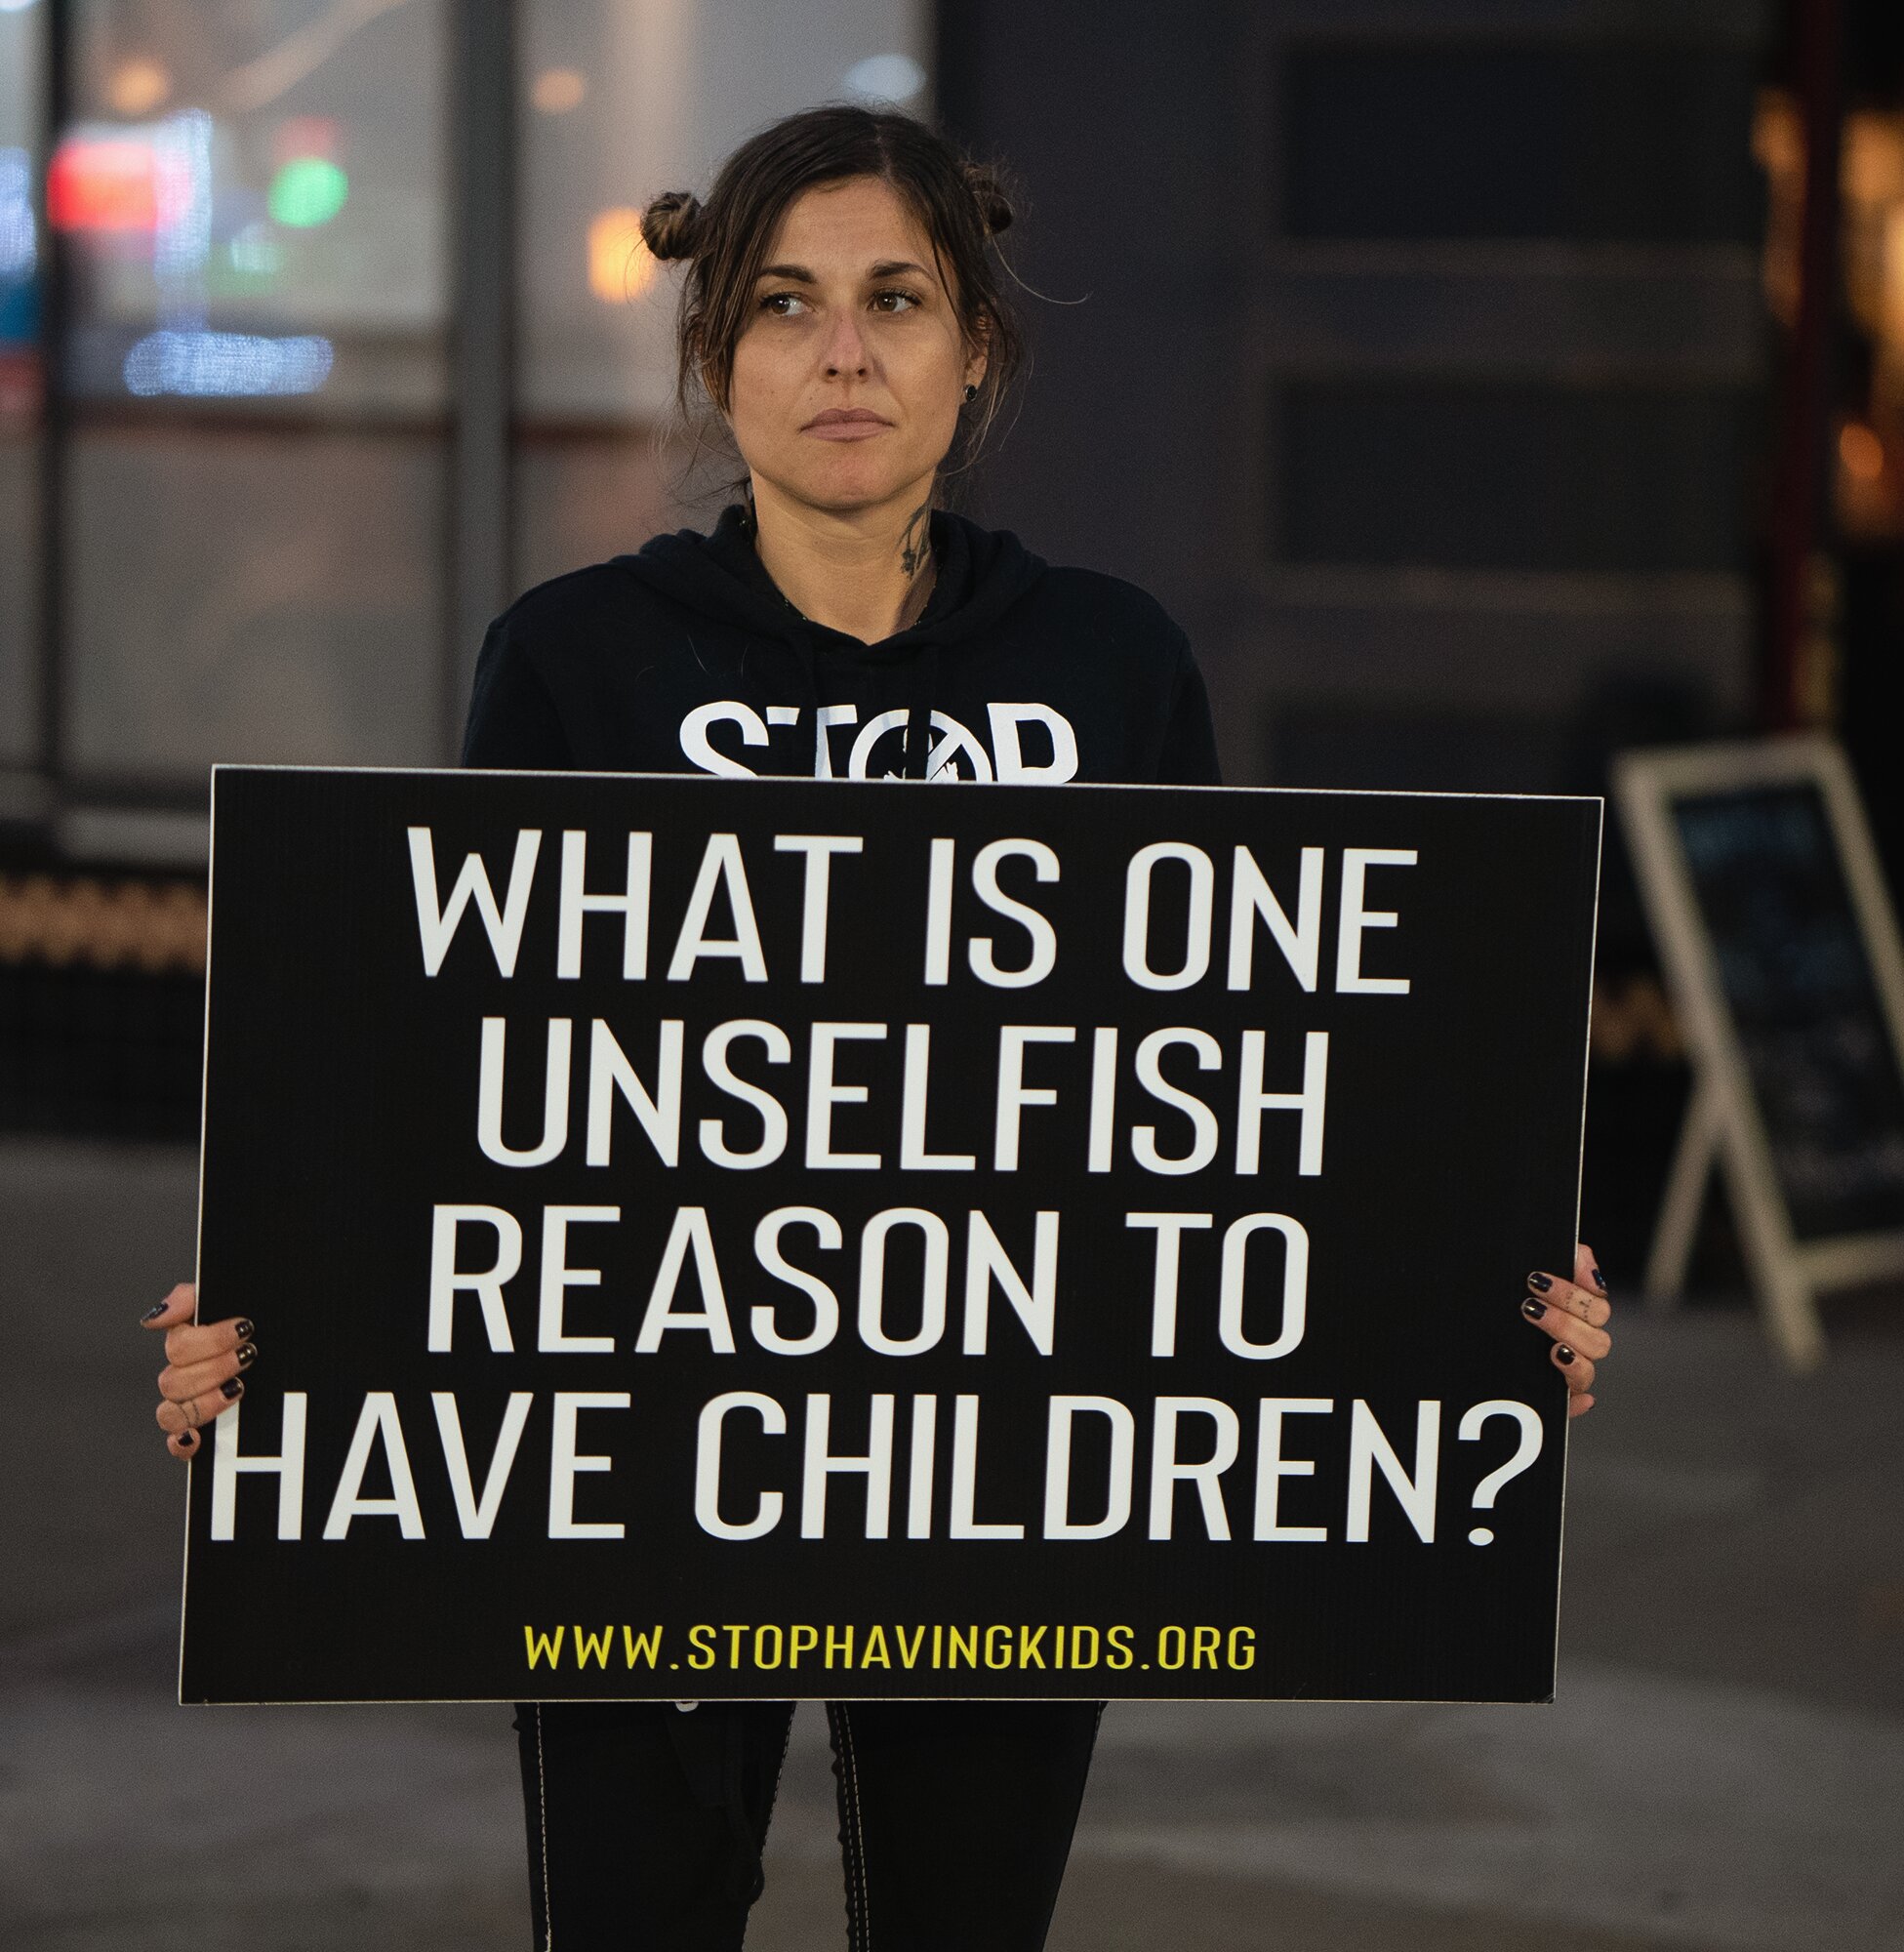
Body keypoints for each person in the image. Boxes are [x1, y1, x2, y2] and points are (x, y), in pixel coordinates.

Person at [140, 102, 1615, 1952]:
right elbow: (466, 1079)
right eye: (784, 304)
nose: (843, 352)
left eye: (896, 299)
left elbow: (1234, 1084)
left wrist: (1461, 1318)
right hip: (639, 1455)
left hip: (1012, 1460)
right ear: (714, 355)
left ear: (975, 347)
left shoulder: (1111, 666)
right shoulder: (579, 662)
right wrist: (284, 1324)